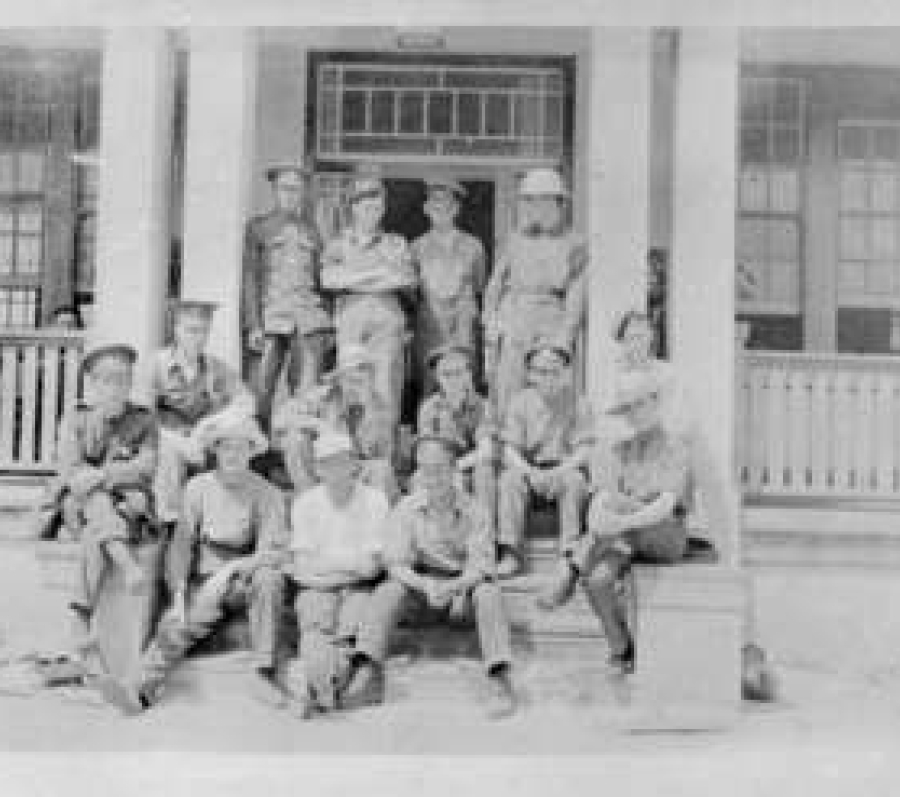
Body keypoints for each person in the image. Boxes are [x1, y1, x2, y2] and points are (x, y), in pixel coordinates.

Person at [94, 413, 290, 714]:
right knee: (181, 620)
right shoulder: (198, 487)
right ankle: (140, 689)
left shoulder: (266, 493)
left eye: (241, 447)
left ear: (252, 451)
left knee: (270, 578)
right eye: (226, 447)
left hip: (243, 578)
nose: (233, 455)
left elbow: (271, 554)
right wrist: (179, 593)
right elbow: (181, 546)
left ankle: (263, 671)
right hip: (205, 577)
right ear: (216, 451)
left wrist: (230, 571)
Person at [538, 368, 723, 674]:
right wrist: (604, 521)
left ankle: (569, 571)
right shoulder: (621, 449)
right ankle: (620, 646)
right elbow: (601, 502)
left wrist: (616, 522)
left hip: (665, 535)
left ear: (656, 403)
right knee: (597, 580)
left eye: (640, 405)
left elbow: (663, 506)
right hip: (622, 537)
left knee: (616, 508)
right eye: (628, 409)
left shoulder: (677, 446)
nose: (634, 414)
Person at [378, 434, 518, 720]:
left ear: (455, 470)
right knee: (388, 591)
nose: (432, 477)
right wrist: (425, 584)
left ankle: (499, 675)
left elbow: (480, 566)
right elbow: (395, 563)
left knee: (488, 592)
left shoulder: (475, 510)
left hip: (461, 592)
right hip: (422, 591)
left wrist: (454, 586)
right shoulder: (406, 508)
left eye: (439, 469)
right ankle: (367, 666)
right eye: (425, 469)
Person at [48, 345, 160, 662]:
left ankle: (80, 619)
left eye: (123, 380)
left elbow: (147, 466)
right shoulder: (76, 417)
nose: (116, 388)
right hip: (79, 508)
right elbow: (70, 473)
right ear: (93, 385)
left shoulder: (144, 420)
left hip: (128, 509)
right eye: (108, 381)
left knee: (95, 523)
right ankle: (126, 564)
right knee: (94, 501)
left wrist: (98, 474)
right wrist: (108, 477)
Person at [285, 430, 396, 716]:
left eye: (341, 462)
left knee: (347, 634)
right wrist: (349, 564)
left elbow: (371, 566)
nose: (335, 470)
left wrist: (327, 564)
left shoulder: (375, 501)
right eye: (326, 464)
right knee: (314, 628)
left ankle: (316, 689)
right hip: (316, 587)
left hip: (358, 587)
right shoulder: (306, 503)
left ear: (354, 465)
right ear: (318, 469)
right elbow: (302, 567)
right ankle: (325, 689)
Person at [320, 170, 418, 431]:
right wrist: (377, 274)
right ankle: (346, 453)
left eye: (377, 207)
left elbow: (403, 277)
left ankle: (383, 454)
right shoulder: (338, 243)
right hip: (351, 324)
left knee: (385, 388)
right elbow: (329, 279)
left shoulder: (395, 242)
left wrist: (353, 278)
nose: (372, 212)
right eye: (366, 206)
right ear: (353, 208)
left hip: (386, 326)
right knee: (349, 387)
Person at [482, 167, 588, 409]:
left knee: (548, 390)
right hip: (515, 317)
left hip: (551, 319)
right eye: (531, 202)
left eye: (544, 201)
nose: (537, 208)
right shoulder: (516, 240)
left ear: (559, 204)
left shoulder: (574, 243)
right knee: (508, 388)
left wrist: (565, 336)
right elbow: (495, 284)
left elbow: (575, 293)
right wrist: (491, 321)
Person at [147, 299, 255, 525]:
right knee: (168, 451)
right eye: (191, 331)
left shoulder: (215, 367)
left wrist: (211, 424)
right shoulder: (156, 365)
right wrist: (178, 441)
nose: (198, 338)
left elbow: (246, 402)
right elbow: (142, 418)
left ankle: (231, 519)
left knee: (239, 435)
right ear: (176, 331)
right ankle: (172, 521)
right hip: (166, 440)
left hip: (202, 440)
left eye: (204, 331)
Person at [242, 161, 333, 425]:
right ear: (275, 191)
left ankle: (297, 451)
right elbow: (251, 277)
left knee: (306, 392)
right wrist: (253, 325)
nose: (290, 195)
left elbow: (321, 280)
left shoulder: (312, 230)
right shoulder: (259, 227)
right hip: (271, 319)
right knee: (261, 388)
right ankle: (259, 454)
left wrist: (326, 322)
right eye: (285, 189)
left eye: (296, 189)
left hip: (307, 320)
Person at [496, 339, 594, 578]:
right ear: (530, 374)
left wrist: (557, 472)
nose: (548, 376)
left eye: (555, 370)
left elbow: (584, 452)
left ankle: (568, 554)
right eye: (541, 371)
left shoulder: (578, 402)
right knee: (509, 480)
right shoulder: (520, 402)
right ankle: (510, 554)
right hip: (531, 471)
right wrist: (531, 473)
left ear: (566, 373)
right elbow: (510, 450)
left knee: (574, 481)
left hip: (565, 469)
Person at [272, 343, 398, 500]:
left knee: (381, 469)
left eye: (361, 380)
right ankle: (311, 499)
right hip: (322, 467)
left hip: (356, 468)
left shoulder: (379, 406)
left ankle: (376, 517)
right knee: (294, 440)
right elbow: (280, 420)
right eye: (351, 379)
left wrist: (369, 407)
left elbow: (379, 453)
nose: (355, 385)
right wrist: (318, 424)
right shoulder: (321, 396)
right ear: (340, 378)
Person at [411, 177, 486, 394]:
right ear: (426, 209)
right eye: (435, 204)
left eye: (446, 205)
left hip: (462, 323)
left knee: (464, 380)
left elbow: (479, 285)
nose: (440, 209)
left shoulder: (473, 246)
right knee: (430, 381)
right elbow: (412, 292)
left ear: (456, 210)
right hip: (430, 324)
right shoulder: (416, 247)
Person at [415, 343, 499, 533]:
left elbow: (486, 451)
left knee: (485, 473)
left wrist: (456, 467)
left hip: (471, 466)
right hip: (440, 466)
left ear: (468, 375)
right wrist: (449, 470)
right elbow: (428, 454)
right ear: (437, 378)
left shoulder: (482, 406)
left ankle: (485, 538)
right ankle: (438, 539)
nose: (453, 379)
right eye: (447, 374)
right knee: (423, 479)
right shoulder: (430, 408)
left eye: (458, 372)